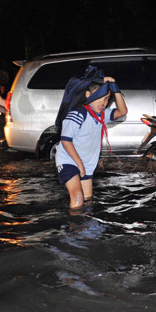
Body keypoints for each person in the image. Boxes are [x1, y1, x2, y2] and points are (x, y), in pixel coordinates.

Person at [55, 72, 127, 210]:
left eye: (106, 99)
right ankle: (71, 229)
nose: (103, 102)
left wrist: (115, 88)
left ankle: (84, 228)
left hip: (87, 164)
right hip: (68, 160)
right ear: (88, 95)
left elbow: (122, 111)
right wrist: (80, 165)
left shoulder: (101, 115)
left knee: (88, 201)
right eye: (100, 97)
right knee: (78, 198)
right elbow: (65, 141)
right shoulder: (78, 114)